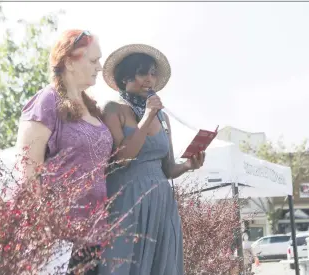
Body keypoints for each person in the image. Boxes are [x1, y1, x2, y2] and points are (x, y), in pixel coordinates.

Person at [99, 44, 205, 275]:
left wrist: (188, 165)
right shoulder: (113, 109)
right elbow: (122, 159)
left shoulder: (163, 116)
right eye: (142, 73)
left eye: (153, 73)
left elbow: (167, 168)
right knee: (122, 264)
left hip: (161, 202)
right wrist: (147, 116)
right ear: (126, 77)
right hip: (127, 201)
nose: (149, 79)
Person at [16, 29, 113, 275]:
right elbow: (27, 174)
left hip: (93, 236)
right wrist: (44, 230)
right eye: (93, 60)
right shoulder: (46, 102)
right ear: (69, 61)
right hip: (57, 237)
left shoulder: (91, 107)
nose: (99, 67)